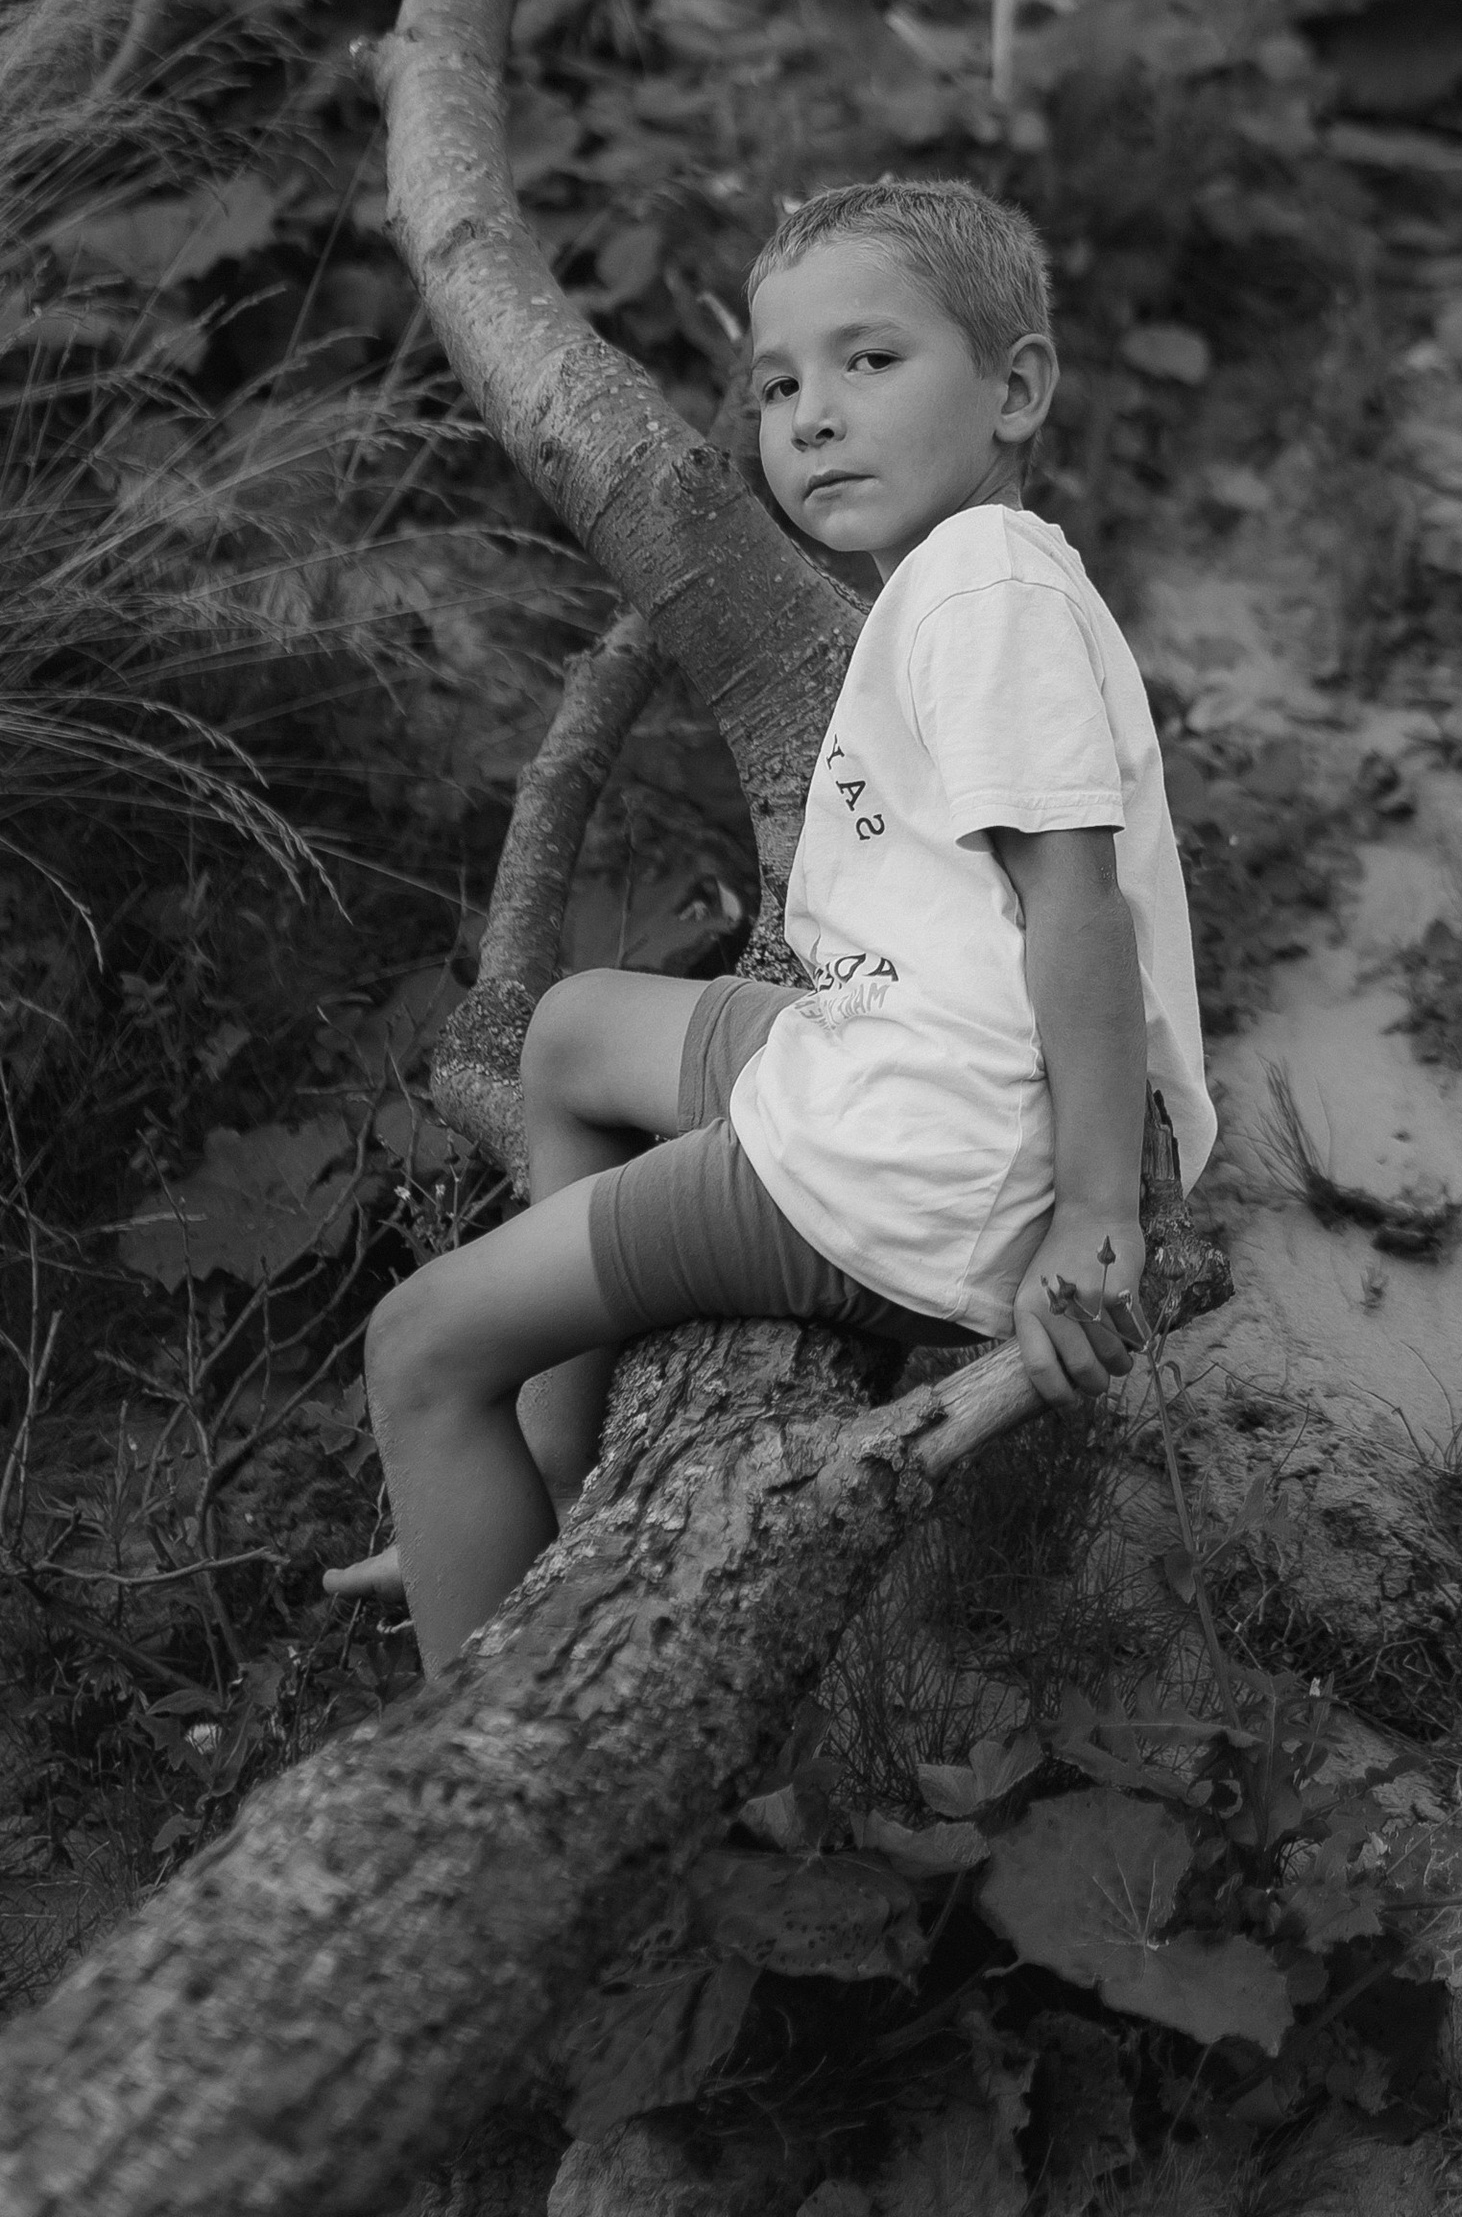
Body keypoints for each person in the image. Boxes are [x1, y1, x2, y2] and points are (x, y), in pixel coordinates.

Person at [325, 175, 1215, 1674]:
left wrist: (1096, 1212)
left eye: (870, 363)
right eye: (778, 382)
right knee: (570, 1031)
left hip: (917, 1162)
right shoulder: (962, 579)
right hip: (901, 1061)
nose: (810, 415)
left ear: (1016, 388)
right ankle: (544, 1478)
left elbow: (1082, 911)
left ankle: (482, 1716)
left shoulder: (982, 590)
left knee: (416, 1346)